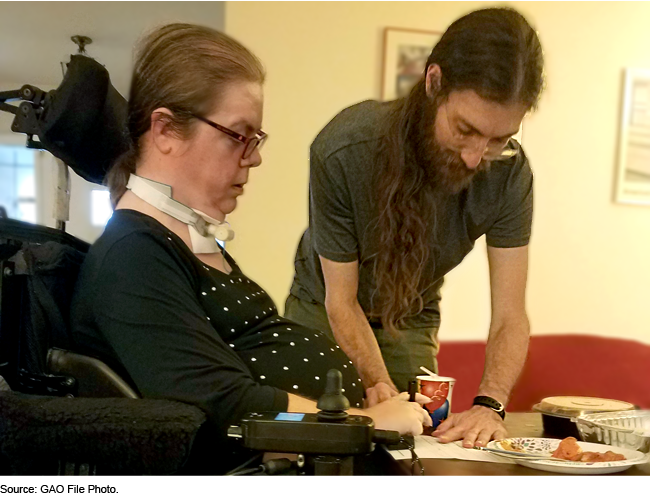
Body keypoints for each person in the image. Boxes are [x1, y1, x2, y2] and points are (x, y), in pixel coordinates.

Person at [70, 23, 430, 473]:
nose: (254, 157)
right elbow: (226, 403)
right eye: (238, 136)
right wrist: (366, 420)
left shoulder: (186, 242)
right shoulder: (131, 258)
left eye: (255, 139)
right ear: (164, 130)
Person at [285, 7, 544, 448]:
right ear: (433, 82)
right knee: (323, 443)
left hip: (412, 314)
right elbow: (340, 302)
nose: (475, 157)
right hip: (323, 312)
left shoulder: (510, 174)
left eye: (499, 139)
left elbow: (510, 315)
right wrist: (380, 389)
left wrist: (491, 403)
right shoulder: (345, 149)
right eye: (465, 129)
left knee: (416, 448)